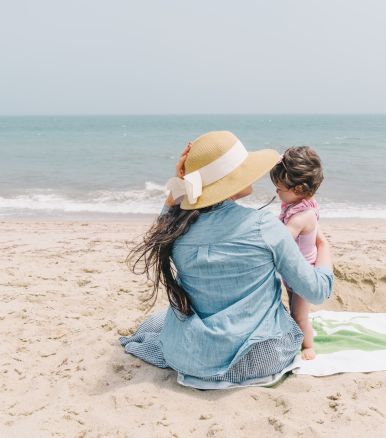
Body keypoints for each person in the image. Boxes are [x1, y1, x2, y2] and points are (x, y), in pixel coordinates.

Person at [121, 131, 334, 389]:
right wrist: (323, 247)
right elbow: (317, 291)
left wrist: (180, 186)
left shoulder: (175, 229)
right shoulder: (264, 226)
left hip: (191, 355)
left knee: (158, 322)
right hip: (259, 359)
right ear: (230, 180)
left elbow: (164, 221)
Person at [269, 146, 324, 360]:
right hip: (293, 272)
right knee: (293, 306)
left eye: (280, 188)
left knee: (299, 315)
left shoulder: (302, 217)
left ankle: (308, 346)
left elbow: (282, 239)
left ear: (299, 189)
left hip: (302, 274)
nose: (277, 192)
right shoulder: (298, 205)